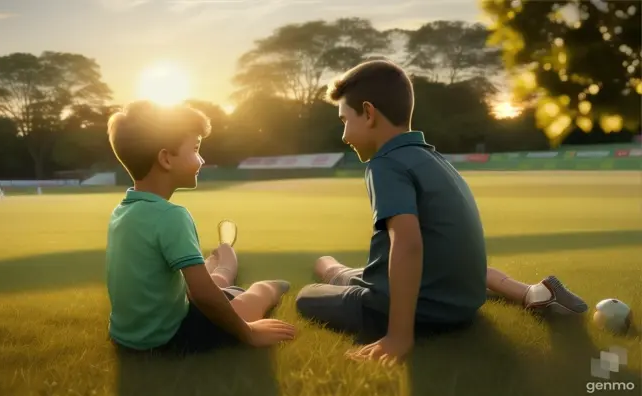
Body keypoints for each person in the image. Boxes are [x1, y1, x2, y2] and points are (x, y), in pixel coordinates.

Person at [294, 60, 587, 365]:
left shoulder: (385, 163)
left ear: (368, 114)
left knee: (308, 295)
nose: (343, 135)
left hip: (423, 312)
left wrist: (398, 336)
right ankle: (333, 269)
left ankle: (331, 270)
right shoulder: (434, 159)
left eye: (344, 120)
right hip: (462, 304)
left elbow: (407, 243)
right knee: (350, 273)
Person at [106, 100, 295, 355]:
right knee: (252, 295)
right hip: (168, 337)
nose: (202, 159)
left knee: (219, 284)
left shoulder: (122, 211)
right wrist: (249, 332)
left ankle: (224, 264)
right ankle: (273, 285)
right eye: (195, 149)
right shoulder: (171, 215)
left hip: (124, 336)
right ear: (165, 158)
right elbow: (203, 295)